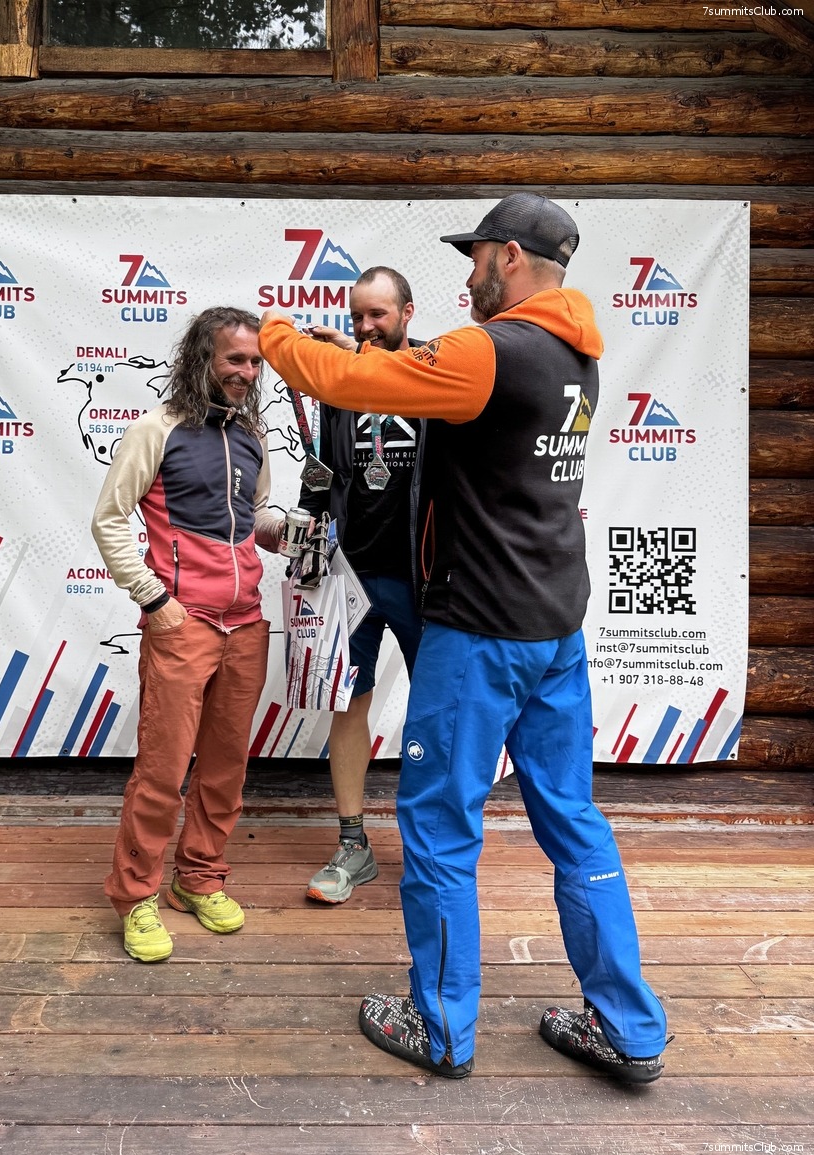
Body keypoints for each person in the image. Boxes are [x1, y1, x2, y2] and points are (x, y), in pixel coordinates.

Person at [258, 194, 669, 1082]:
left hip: (479, 629)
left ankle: (441, 1025)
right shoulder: (575, 353)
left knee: (440, 824)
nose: (468, 274)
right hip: (553, 627)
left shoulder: (492, 350)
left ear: (509, 256)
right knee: (573, 821)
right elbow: (405, 377)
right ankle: (630, 1028)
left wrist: (278, 335)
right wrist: (352, 351)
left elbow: (351, 384)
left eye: (475, 256)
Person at [92, 306, 283, 963]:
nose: (246, 372)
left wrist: (288, 531)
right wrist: (155, 600)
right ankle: (135, 895)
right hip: (184, 623)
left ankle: (198, 877)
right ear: (202, 357)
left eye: (255, 362)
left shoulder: (252, 433)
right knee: (163, 769)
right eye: (235, 359)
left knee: (225, 769)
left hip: (246, 622)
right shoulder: (157, 429)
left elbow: (254, 515)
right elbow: (110, 518)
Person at [295, 267, 424, 904]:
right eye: (357, 317)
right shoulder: (341, 384)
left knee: (440, 710)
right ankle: (353, 844)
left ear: (407, 313)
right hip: (353, 574)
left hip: (425, 578)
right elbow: (324, 467)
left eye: (379, 315)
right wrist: (308, 532)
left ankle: (431, 844)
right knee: (348, 705)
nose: (367, 327)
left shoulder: (435, 373)